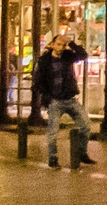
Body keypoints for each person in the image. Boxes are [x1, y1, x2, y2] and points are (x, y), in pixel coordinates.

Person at [37, 32, 94, 168]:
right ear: (51, 45)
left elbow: (83, 55)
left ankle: (82, 153)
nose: (61, 47)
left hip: (70, 99)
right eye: (58, 44)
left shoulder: (67, 56)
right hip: (55, 101)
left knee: (85, 125)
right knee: (53, 132)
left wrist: (71, 43)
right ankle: (53, 158)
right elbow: (38, 81)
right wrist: (48, 97)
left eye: (63, 45)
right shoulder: (44, 61)